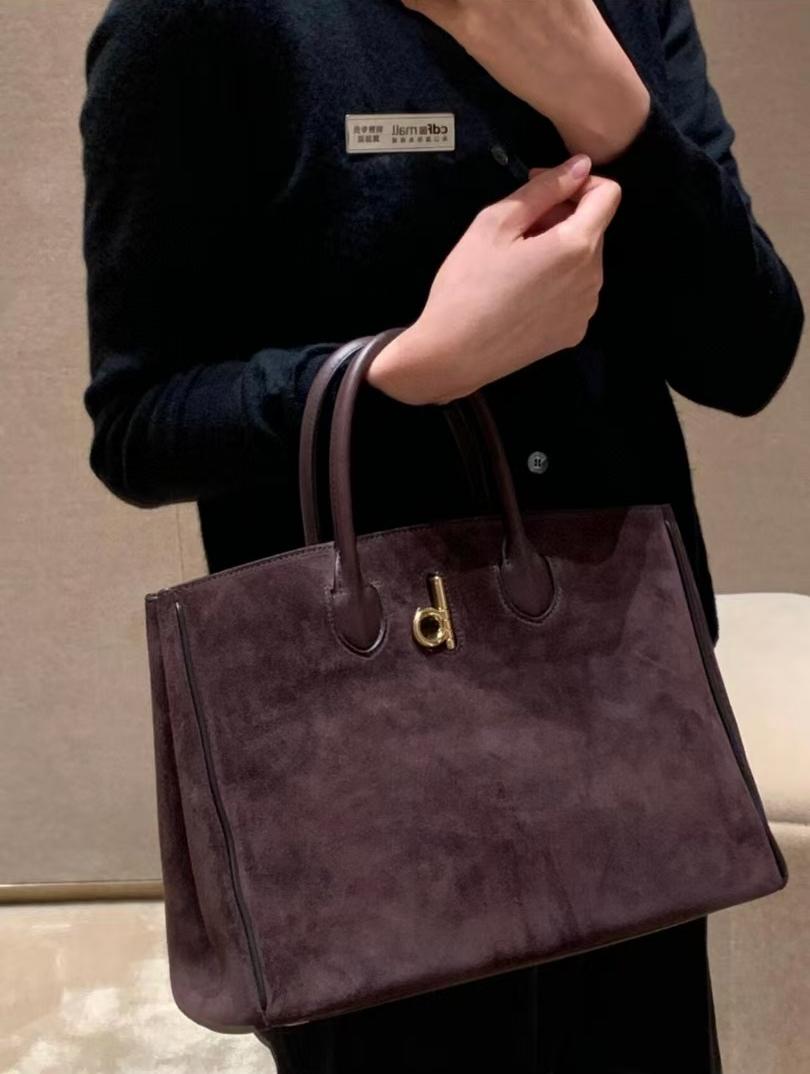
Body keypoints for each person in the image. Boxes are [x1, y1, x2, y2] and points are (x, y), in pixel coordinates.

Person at [79, 0, 804, 1070]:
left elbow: (750, 353)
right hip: (365, 759)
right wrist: (403, 373)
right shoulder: (202, 19)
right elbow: (139, 425)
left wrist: (615, 114)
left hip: (624, 701)